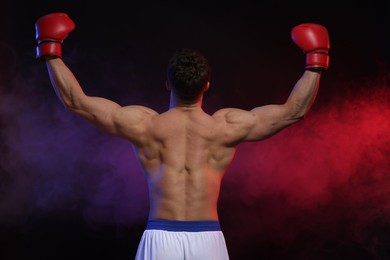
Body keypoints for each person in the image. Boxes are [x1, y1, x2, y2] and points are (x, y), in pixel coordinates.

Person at [35, 12, 330, 260]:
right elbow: (294, 111)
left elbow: (77, 102)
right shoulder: (227, 126)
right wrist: (315, 60)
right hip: (209, 241)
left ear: (167, 84)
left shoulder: (145, 125)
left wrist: (50, 50)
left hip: (159, 240)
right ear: (207, 85)